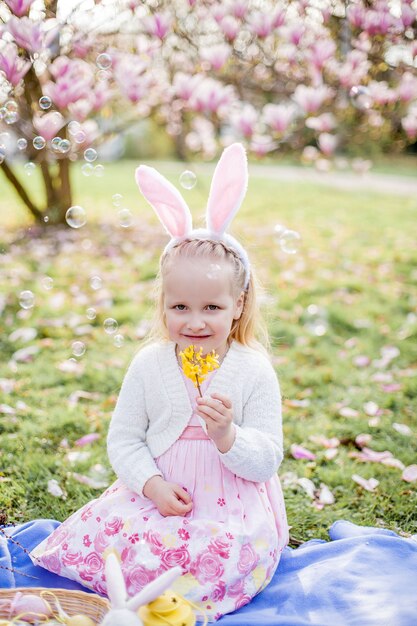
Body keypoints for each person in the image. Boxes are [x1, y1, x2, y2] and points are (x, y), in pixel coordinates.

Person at [31, 143, 289, 621]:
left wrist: (228, 437)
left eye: (211, 307)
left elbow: (268, 457)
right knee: (119, 547)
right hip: (157, 496)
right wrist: (150, 486)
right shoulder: (150, 364)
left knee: (216, 560)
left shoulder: (253, 370)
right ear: (163, 303)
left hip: (227, 509)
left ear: (238, 304)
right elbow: (126, 438)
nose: (194, 321)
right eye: (179, 307)